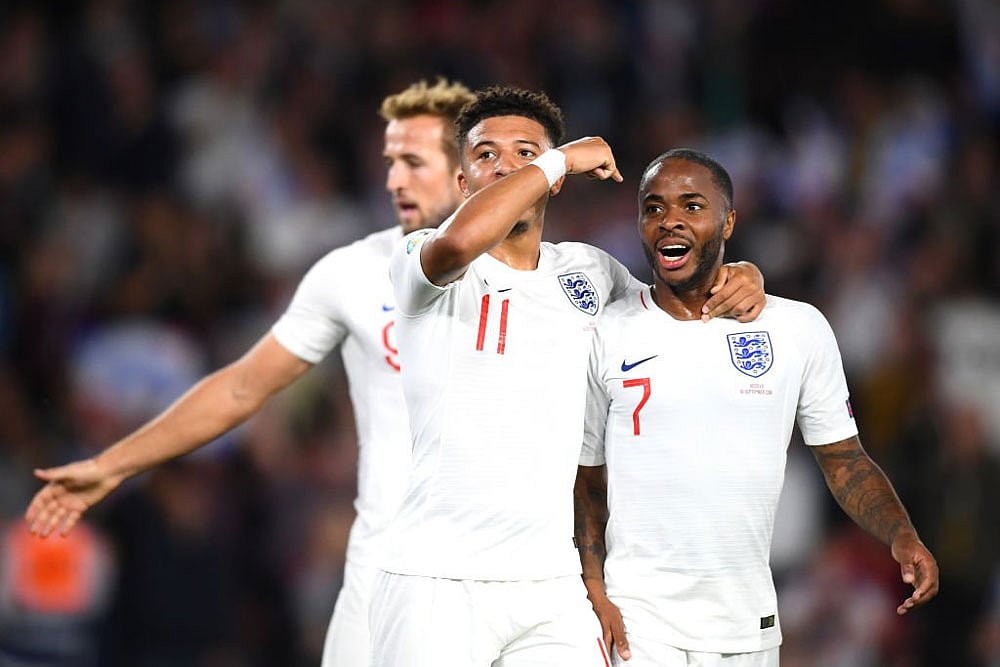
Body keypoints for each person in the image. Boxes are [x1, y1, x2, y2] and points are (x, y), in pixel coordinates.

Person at [23, 77, 476, 667]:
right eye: (390, 163)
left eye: (414, 162)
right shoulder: (350, 274)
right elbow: (240, 388)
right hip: (383, 582)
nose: (394, 180)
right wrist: (114, 464)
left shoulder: (544, 283)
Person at [374, 87, 766, 666]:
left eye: (526, 152)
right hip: (436, 577)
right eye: (486, 155)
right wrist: (558, 156)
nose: (507, 165)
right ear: (461, 184)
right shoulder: (420, 260)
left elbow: (680, 309)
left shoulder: (589, 271)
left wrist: (744, 273)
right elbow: (457, 241)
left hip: (550, 585)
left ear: (552, 186)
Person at [574, 148, 940, 666]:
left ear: (729, 222)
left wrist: (902, 535)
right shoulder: (607, 331)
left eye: (691, 206)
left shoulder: (796, 328)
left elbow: (844, 459)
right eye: (653, 208)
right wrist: (594, 586)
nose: (669, 220)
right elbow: (587, 478)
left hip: (745, 624)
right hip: (637, 623)